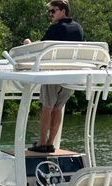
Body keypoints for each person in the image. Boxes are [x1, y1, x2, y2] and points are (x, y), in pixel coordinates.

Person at [29, 0, 84, 152]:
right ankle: (50, 143)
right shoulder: (78, 28)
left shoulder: (55, 28)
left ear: (63, 11)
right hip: (71, 76)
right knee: (58, 108)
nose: (50, 15)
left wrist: (27, 43)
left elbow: (39, 49)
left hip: (54, 73)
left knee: (47, 107)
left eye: (53, 11)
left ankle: (42, 143)